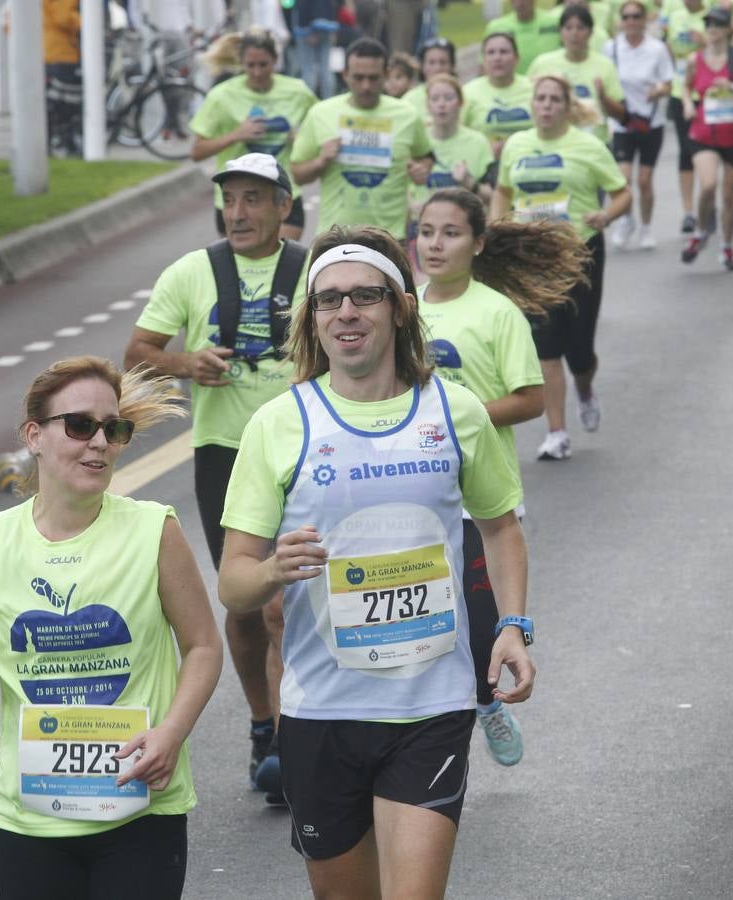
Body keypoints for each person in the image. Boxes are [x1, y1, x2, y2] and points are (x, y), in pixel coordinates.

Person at [217, 226, 536, 898]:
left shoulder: (455, 412)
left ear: (400, 307)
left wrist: (513, 625)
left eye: (365, 295)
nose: (347, 312)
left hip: (431, 705)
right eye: (329, 300)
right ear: (313, 319)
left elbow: (501, 529)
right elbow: (233, 584)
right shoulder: (279, 424)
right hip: (321, 712)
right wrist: (273, 570)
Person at [0, 357, 223, 900]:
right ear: (35, 435)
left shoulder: (154, 530)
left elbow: (203, 647)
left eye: (113, 429)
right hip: (31, 818)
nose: (99, 442)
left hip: (139, 808)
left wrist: (171, 734)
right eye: (79, 426)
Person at [124, 153, 304, 804]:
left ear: (285, 206)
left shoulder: (311, 271)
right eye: (230, 199)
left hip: (300, 453)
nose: (238, 212)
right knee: (246, 606)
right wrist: (185, 362)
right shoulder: (192, 271)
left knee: (286, 606)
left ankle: (293, 743)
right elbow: (138, 355)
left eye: (254, 199)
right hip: (225, 455)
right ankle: (263, 722)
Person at [417, 188, 583, 764]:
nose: (435, 244)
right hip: (412, 488)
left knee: (479, 619)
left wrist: (456, 417)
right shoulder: (401, 306)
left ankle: (486, 702)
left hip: (477, 494)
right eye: (427, 231)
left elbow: (532, 399)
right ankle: (433, 734)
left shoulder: (496, 311)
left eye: (451, 233)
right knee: (425, 621)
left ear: (478, 243)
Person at [493, 74, 632, 460]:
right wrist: (495, 232)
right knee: (547, 347)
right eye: (541, 98)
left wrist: (607, 213)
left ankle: (585, 387)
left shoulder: (588, 146)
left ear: (567, 106)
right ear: (531, 104)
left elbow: (623, 192)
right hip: (533, 256)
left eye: (555, 99)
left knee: (580, 350)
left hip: (580, 252)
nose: (547, 105)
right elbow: (504, 190)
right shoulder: (516, 145)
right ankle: (557, 432)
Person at [291, 38, 435, 239]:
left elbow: (426, 156)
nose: (366, 86)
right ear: (345, 75)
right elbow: (297, 174)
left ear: (386, 74)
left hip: (390, 236)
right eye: (358, 78)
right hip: (335, 235)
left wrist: (422, 170)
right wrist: (321, 161)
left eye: (373, 78)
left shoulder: (407, 115)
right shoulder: (321, 113)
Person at [191, 29, 318, 243]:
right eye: (250, 65)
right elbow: (197, 152)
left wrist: (300, 139)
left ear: (276, 61)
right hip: (235, 200)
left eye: (264, 65)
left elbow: (320, 133)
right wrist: (236, 135)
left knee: (283, 268)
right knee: (241, 271)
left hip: (284, 193)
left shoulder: (298, 91)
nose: (257, 72)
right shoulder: (221, 96)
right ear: (241, 63)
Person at [681, 6, 733, 270]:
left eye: (718, 24)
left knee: (728, 197)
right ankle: (701, 231)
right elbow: (685, 86)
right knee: (708, 185)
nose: (712, 29)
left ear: (728, 29)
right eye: (709, 24)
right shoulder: (696, 59)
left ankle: (726, 246)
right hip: (705, 132)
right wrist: (688, 104)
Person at [605, 0, 675, 249]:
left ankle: (646, 227)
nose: (631, 21)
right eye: (627, 17)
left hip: (650, 122)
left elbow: (669, 82)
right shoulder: (612, 48)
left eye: (636, 16)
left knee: (645, 180)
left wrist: (658, 91)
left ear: (644, 20)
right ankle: (627, 220)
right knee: (623, 180)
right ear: (620, 21)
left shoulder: (657, 49)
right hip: (623, 122)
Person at [527, 4, 629, 143]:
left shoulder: (604, 65)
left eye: (580, 28)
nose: (574, 33)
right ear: (560, 32)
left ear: (591, 32)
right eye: (568, 28)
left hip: (594, 145)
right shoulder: (542, 64)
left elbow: (622, 116)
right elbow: (526, 104)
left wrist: (603, 98)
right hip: (553, 144)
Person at [410, 74, 496, 221]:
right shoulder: (416, 141)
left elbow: (494, 197)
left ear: (460, 103)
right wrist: (411, 205)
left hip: (463, 226)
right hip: (422, 225)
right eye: (435, 99)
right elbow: (397, 188)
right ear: (428, 106)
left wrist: (470, 183)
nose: (442, 104)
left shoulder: (478, 142)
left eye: (449, 98)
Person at [665, 0, 708, 234]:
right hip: (680, 93)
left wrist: (703, 43)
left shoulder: (712, 13)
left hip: (707, 94)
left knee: (707, 152)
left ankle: (707, 202)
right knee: (686, 151)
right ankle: (689, 212)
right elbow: (670, 48)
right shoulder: (675, 16)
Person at [462, 32, 537, 158]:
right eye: (491, 53)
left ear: (516, 58)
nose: (497, 58)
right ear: (483, 60)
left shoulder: (535, 88)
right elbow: (458, 135)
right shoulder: (467, 92)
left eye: (504, 52)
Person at [44, 0, 82, 157]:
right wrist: (83, 23)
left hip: (44, 50)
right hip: (61, 51)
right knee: (66, 101)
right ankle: (65, 140)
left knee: (51, 100)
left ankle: (52, 140)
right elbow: (63, 17)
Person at [487, 0, 565, 74]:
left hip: (548, 83)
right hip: (512, 84)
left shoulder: (554, 23)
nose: (521, 2)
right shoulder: (497, 27)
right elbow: (485, 63)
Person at [402, 36, 458, 121]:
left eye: (443, 62)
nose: (438, 68)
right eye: (431, 63)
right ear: (422, 67)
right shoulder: (409, 100)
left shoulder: (463, 96)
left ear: (452, 66)